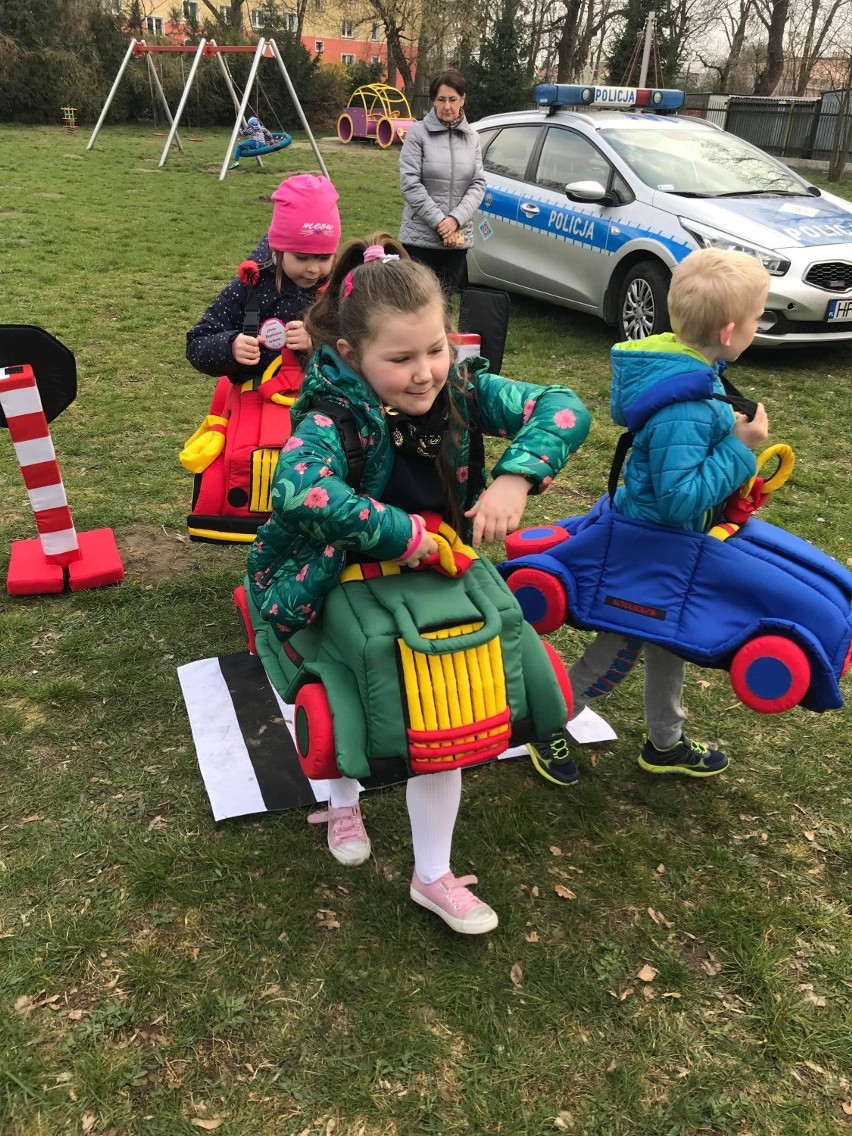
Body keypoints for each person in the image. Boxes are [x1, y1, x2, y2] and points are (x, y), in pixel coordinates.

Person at [247, 236, 591, 933]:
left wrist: (517, 476)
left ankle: (432, 874)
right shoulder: (328, 415)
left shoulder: (460, 389)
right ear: (349, 355)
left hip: (440, 578)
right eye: (400, 359)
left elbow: (562, 407)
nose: (425, 372)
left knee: (449, 714)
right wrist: (406, 535)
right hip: (334, 572)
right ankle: (340, 795)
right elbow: (300, 490)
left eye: (435, 348)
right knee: (340, 687)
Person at [531, 248, 771, 788]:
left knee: (672, 642)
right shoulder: (687, 405)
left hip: (671, 548)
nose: (759, 326)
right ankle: (547, 723)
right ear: (730, 330)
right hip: (652, 547)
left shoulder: (697, 377)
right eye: (758, 318)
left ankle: (665, 741)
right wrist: (739, 446)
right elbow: (676, 499)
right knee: (619, 646)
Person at [186, 173, 341, 381]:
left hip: (319, 403)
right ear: (278, 250)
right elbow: (197, 343)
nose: (313, 269)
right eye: (301, 257)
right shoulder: (251, 287)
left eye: (324, 258)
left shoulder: (339, 292)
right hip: (255, 399)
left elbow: (366, 349)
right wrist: (230, 347)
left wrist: (319, 343)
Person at [398, 69, 485, 296]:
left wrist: (455, 220)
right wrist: (440, 222)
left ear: (463, 99)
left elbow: (477, 184)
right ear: (433, 101)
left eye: (453, 100)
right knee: (415, 304)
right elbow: (410, 184)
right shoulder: (417, 134)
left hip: (456, 240)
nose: (447, 106)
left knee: (443, 305)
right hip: (420, 239)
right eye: (441, 100)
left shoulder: (473, 137)